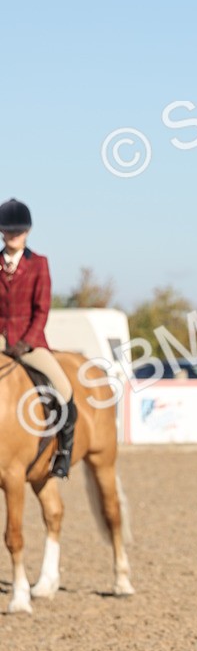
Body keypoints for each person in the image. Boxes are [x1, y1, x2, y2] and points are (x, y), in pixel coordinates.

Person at [0, 198, 77, 478]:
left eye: (18, 232)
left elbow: (42, 309)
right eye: (9, 231)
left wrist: (26, 341)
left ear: (27, 232)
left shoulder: (39, 264)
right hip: (0, 339)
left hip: (30, 342)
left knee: (64, 388)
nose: (13, 236)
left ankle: (63, 453)